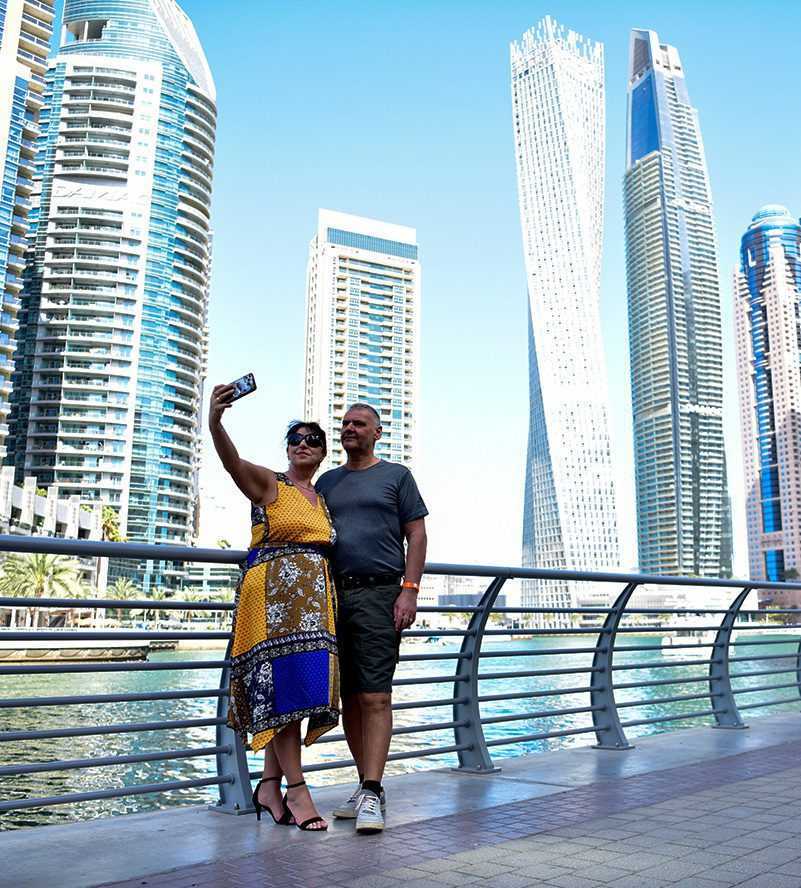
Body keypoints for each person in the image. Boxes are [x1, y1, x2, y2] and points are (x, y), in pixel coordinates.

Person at [209, 383, 338, 832]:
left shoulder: (321, 499)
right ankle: (298, 791)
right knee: (285, 693)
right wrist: (216, 420)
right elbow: (231, 463)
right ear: (287, 448)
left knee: (298, 693)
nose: (303, 444)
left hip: (313, 606)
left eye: (313, 440)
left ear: (323, 453)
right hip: (272, 601)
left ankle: (268, 785)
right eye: (296, 439)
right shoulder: (271, 484)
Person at [315, 403, 428, 834]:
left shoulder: (396, 476)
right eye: (344, 424)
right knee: (348, 701)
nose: (349, 429)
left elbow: (416, 534)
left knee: (375, 696)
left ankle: (373, 790)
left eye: (358, 424)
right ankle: (366, 788)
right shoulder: (328, 481)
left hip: (381, 593)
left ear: (377, 432)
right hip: (333, 596)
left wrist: (409, 590)